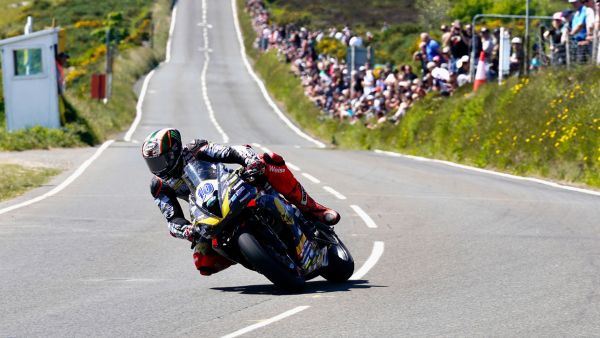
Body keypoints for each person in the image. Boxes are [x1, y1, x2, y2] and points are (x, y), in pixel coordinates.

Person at [142, 128, 340, 276]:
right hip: (208, 212)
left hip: (234, 185)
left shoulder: (195, 149)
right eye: (152, 163)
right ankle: (264, 259)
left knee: (268, 161)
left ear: (174, 151)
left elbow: (232, 152)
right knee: (203, 262)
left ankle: (314, 209)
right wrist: (185, 230)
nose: (157, 168)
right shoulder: (159, 185)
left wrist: (251, 162)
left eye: (160, 161)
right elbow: (172, 218)